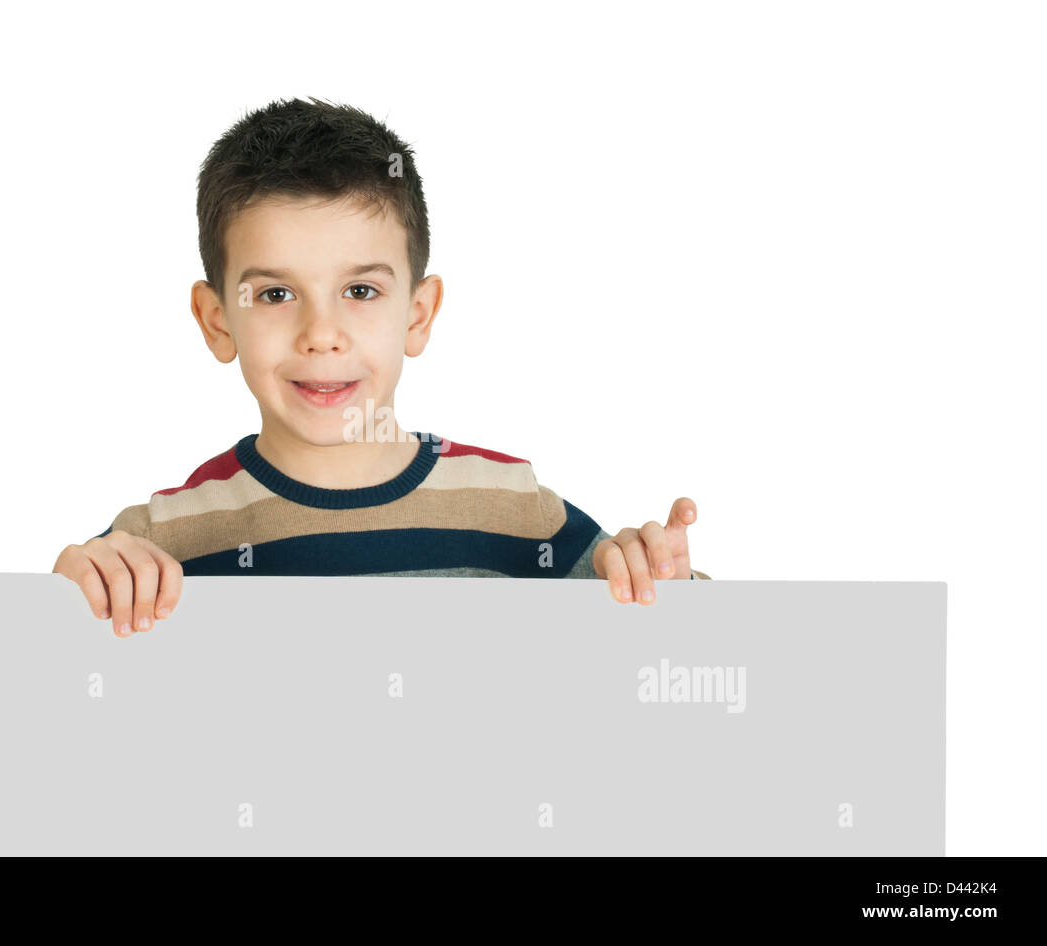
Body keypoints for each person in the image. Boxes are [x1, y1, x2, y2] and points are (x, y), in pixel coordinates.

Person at [53, 98, 711, 638]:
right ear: (218, 320)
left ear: (418, 315)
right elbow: (41, 677)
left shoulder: (512, 508)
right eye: (276, 294)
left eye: (361, 291)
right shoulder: (163, 541)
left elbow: (664, 656)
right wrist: (74, 587)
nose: (321, 336)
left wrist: (664, 580)